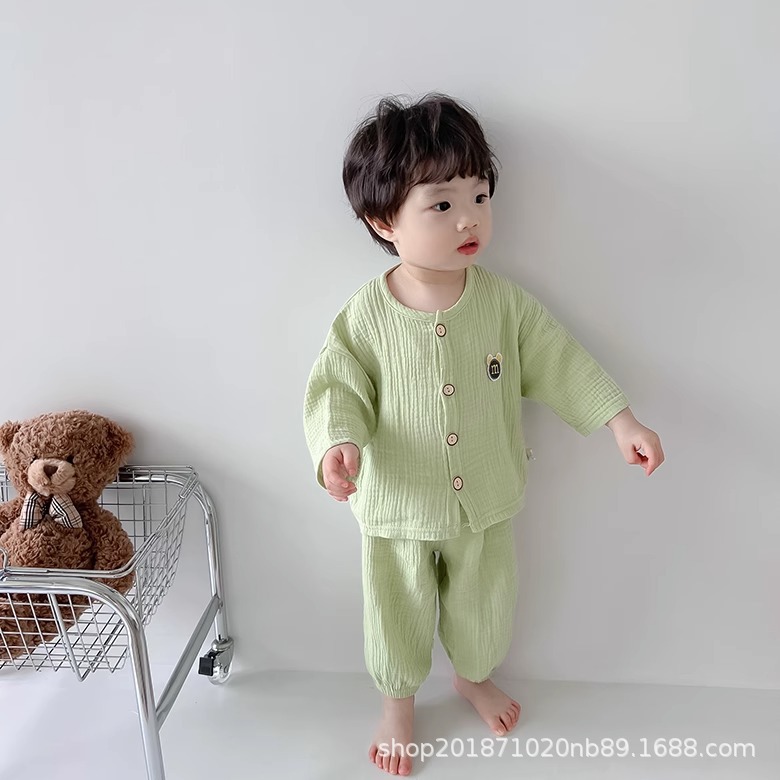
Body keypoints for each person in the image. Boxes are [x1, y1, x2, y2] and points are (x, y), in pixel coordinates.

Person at [303, 92, 665, 776]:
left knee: (485, 607)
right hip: (398, 505)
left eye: (479, 196)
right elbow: (335, 388)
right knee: (395, 613)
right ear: (384, 221)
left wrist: (619, 420)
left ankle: (472, 677)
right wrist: (337, 445)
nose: (469, 218)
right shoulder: (365, 317)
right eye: (441, 204)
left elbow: (559, 361)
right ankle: (398, 703)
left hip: (487, 498)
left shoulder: (503, 304)